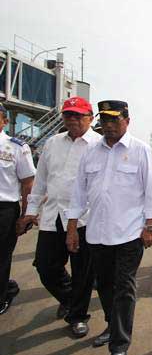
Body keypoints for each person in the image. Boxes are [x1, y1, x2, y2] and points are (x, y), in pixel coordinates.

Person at [65, 100, 152, 355]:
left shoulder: (141, 150)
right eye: (104, 119)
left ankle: (119, 347)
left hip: (129, 234)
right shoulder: (91, 152)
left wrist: (150, 226)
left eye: (113, 119)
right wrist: (72, 227)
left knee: (124, 288)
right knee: (105, 285)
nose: (107, 125)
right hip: (97, 233)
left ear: (126, 120)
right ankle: (112, 324)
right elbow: (79, 193)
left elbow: (151, 192)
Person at [19, 97, 101, 336]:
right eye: (68, 115)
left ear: (90, 117)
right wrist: (31, 211)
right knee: (45, 267)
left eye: (78, 115)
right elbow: (41, 180)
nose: (72, 120)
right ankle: (69, 298)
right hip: (53, 215)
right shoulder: (52, 143)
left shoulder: (100, 144)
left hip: (86, 219)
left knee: (83, 272)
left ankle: (77, 315)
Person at [0, 103, 35, 315]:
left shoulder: (16, 147)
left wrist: (25, 214)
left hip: (4, 209)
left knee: (1, 255)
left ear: (4, 121)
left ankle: (2, 295)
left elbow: (28, 182)